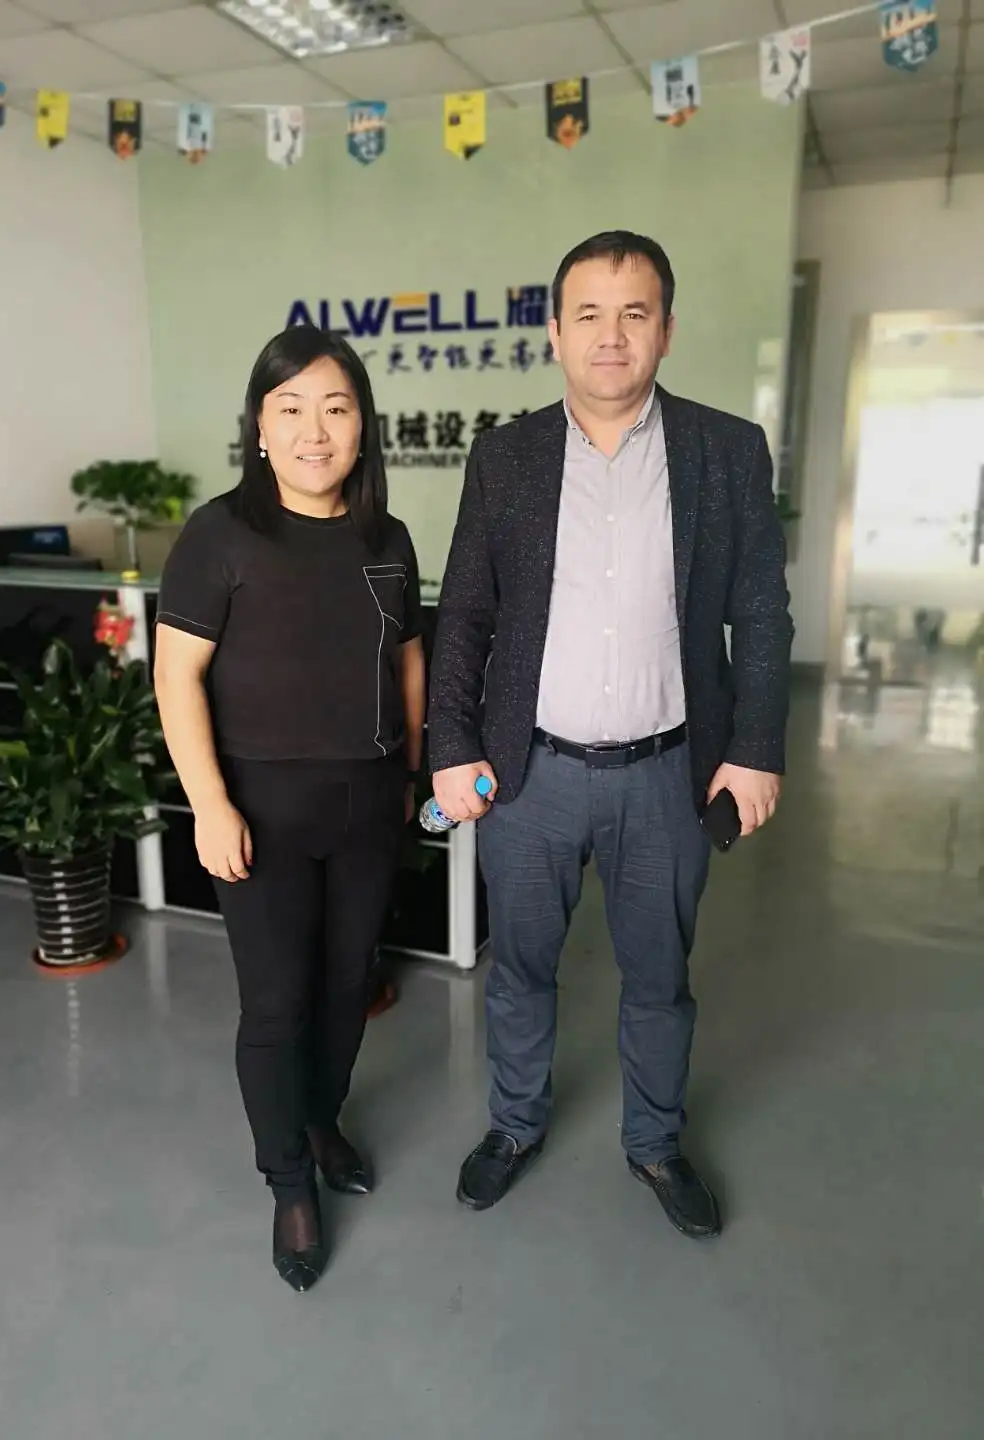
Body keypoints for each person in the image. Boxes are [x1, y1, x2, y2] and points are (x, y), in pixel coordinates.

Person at [429, 231, 793, 1238]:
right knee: (520, 970)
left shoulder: (725, 450)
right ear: (554, 332)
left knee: (659, 978)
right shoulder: (505, 457)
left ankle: (656, 1141)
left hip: (668, 774)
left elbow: (761, 611)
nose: (611, 335)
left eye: (635, 313)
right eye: (587, 313)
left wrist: (755, 747)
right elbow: (465, 614)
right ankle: (513, 1125)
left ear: (666, 330)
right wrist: (451, 744)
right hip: (530, 773)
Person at [154, 325, 425, 1292]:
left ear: (363, 427)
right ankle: (288, 1182)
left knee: (349, 985)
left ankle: (319, 1120)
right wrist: (210, 804)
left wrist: (412, 773)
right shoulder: (222, 533)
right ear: (260, 428)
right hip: (259, 811)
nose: (316, 431)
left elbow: (408, 662)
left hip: (367, 802)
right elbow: (176, 675)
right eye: (291, 409)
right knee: (276, 1003)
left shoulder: (387, 539)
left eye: (336, 408)